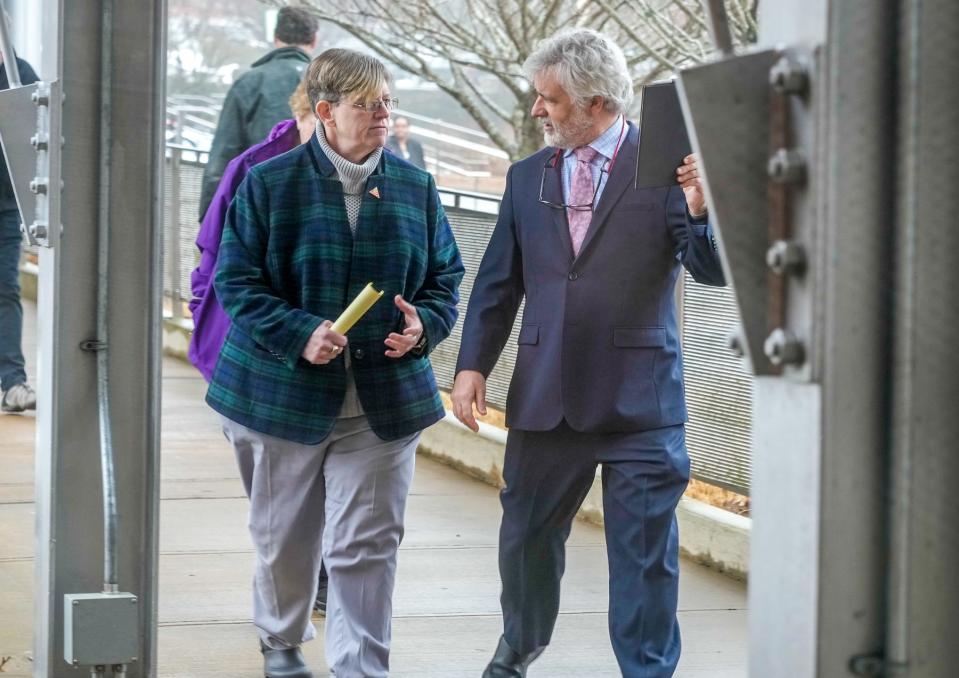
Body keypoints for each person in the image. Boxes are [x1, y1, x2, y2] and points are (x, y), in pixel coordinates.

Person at [451, 29, 726, 678]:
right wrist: (470, 367)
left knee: (643, 557)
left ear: (596, 101)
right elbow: (497, 284)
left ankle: (647, 669)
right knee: (524, 541)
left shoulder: (668, 168)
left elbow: (709, 269)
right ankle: (518, 647)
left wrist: (698, 206)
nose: (536, 110)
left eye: (548, 98)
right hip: (545, 399)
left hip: (641, 403)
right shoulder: (525, 177)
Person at [207, 48, 463, 678]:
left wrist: (422, 326)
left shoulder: (415, 186)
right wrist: (301, 333)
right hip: (279, 397)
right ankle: (282, 641)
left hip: (381, 404)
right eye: (367, 104)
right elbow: (235, 283)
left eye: (387, 102)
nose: (383, 115)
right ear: (324, 111)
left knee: (367, 545)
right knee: (285, 537)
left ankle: (361, 665)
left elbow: (445, 278)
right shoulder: (268, 184)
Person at [188, 80, 332, 619]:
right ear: (311, 112)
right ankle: (294, 587)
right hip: (252, 340)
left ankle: (319, 578)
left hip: (328, 345)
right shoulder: (254, 167)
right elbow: (214, 247)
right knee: (278, 485)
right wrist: (201, 303)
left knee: (328, 474)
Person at [197, 6, 318, 221]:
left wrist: (209, 219)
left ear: (275, 37)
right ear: (314, 40)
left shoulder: (250, 82)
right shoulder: (330, 84)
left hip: (256, 209)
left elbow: (223, 155)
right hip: (315, 209)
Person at [0, 45, 39, 414]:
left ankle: (13, 382)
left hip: (4, 207)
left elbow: (42, 132)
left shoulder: (19, 76)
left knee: (5, 290)